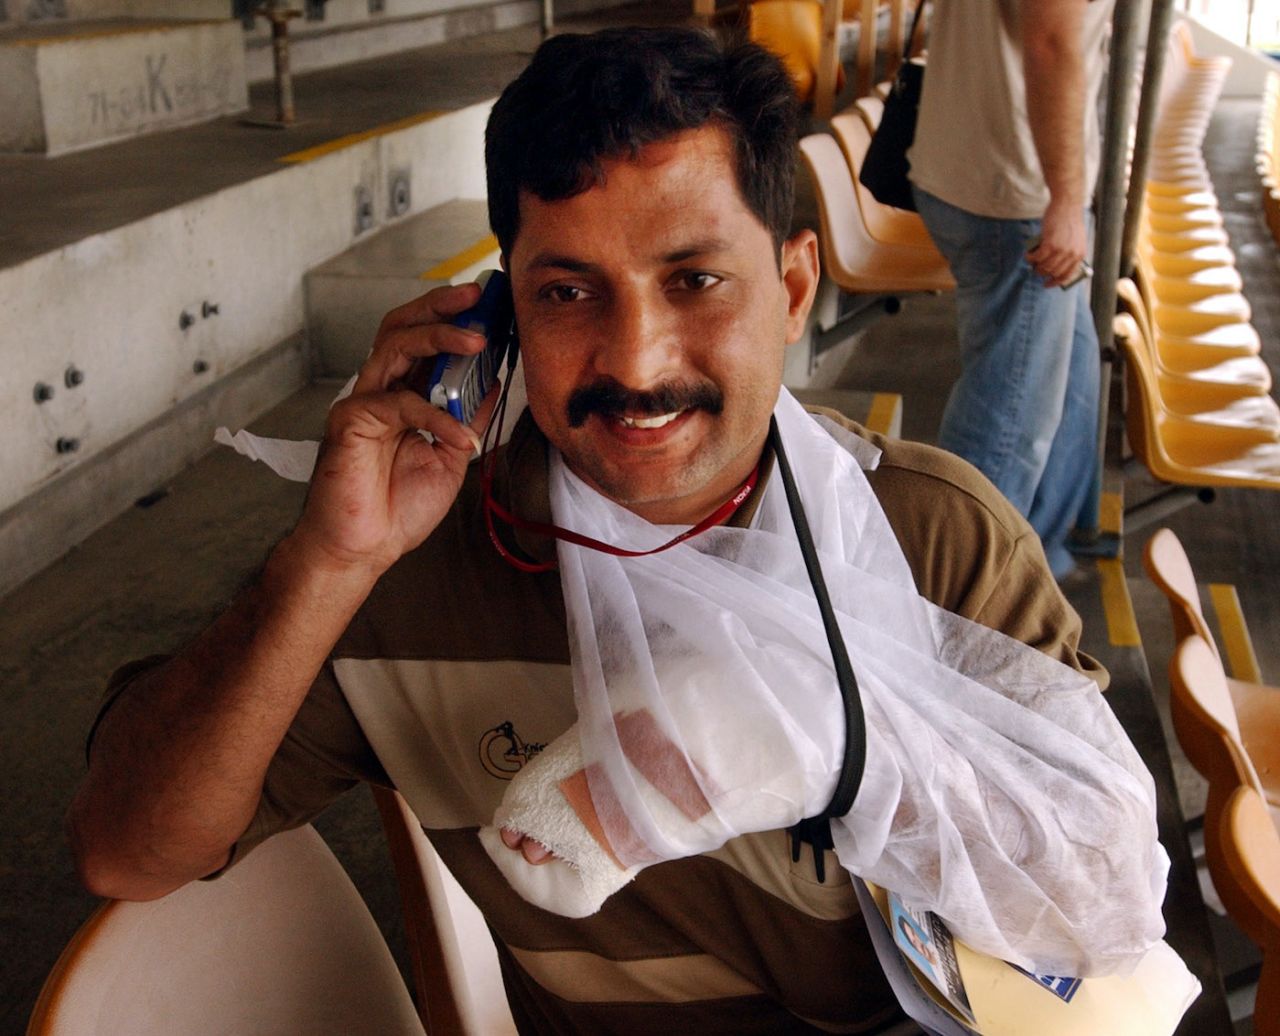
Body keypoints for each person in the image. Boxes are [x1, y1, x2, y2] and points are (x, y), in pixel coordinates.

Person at [67, 27, 1161, 1034]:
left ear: (788, 290)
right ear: (493, 322)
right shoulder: (401, 575)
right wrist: (327, 561)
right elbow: (128, 847)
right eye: (568, 293)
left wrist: (818, 744)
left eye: (694, 280)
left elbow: (1095, 900)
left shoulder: (935, 544)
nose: (636, 363)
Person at [908, 0, 1115, 580]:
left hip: (982, 172)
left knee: (1072, 383)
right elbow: (1051, 46)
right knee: (1011, 423)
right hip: (1015, 192)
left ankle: (1033, 568)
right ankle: (959, 597)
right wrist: (1067, 202)